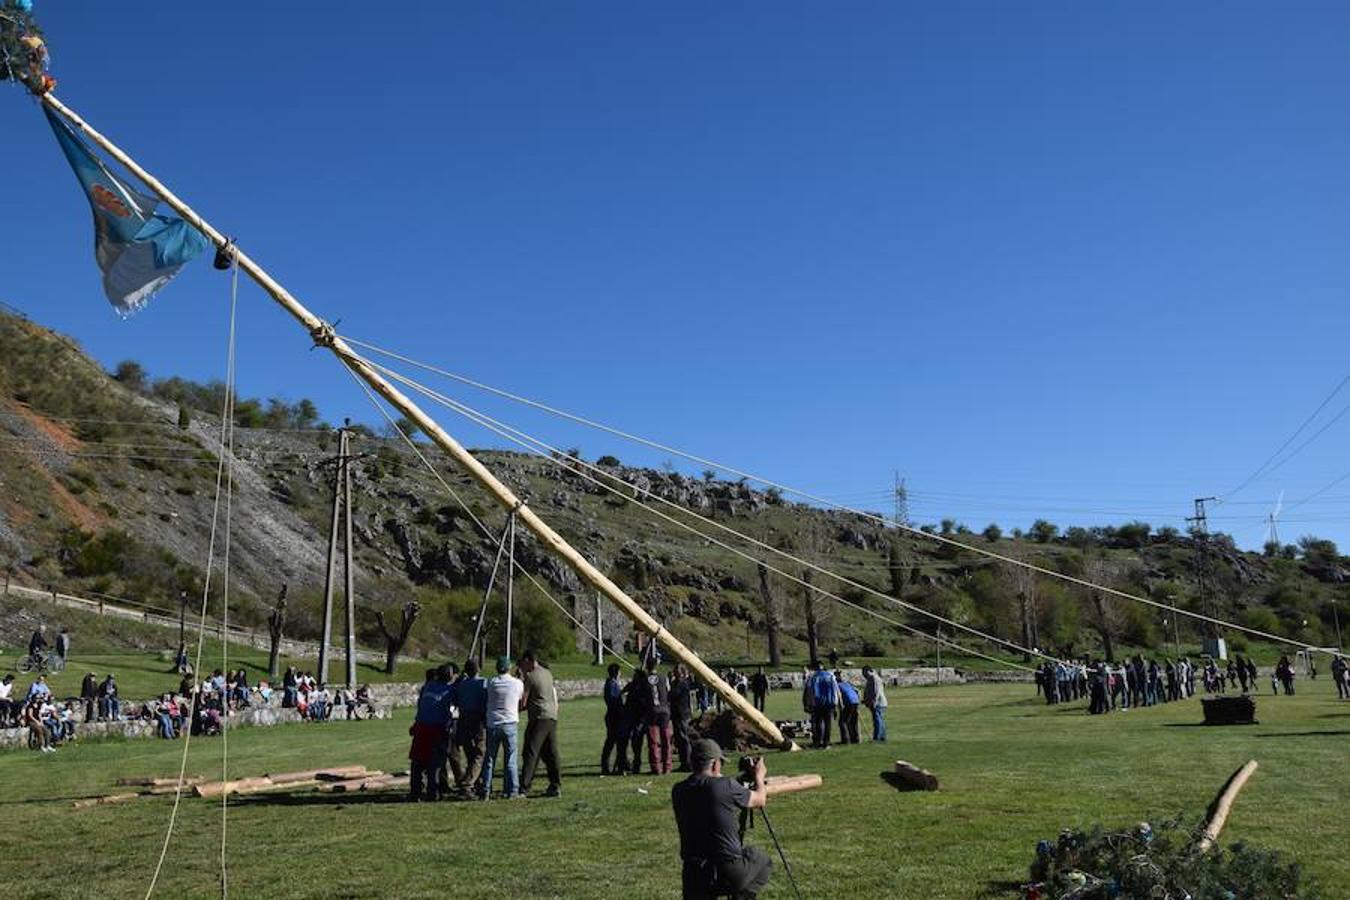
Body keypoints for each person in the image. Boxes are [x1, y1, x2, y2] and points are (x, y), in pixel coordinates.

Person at [671, 739, 772, 900]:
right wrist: (759, 776)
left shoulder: (678, 790)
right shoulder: (724, 786)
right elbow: (760, 799)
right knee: (761, 860)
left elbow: (706, 790)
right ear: (714, 764)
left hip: (693, 873)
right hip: (727, 870)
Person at [478, 655, 525, 800]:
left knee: (490, 758)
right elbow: (520, 697)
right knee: (510, 758)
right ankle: (512, 790)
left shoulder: (491, 682)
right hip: (509, 722)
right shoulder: (517, 683)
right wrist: (520, 677)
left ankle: (486, 789)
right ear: (509, 667)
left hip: (493, 723)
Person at [519, 650, 562, 798]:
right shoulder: (547, 673)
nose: (522, 667)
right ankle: (555, 784)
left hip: (538, 718)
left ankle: (524, 787)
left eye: (523, 663)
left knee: (530, 752)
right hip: (552, 717)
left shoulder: (530, 677)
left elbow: (523, 702)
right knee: (550, 753)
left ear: (528, 660)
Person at [409, 667, 454, 802]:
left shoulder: (427, 686)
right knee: (434, 763)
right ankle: (432, 792)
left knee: (417, 762)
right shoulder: (449, 690)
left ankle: (415, 792)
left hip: (421, 726)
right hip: (437, 728)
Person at [452, 660, 488, 795]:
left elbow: (455, 700)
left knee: (470, 752)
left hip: (463, 718)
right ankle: (468, 783)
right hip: (478, 718)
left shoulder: (461, 685)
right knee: (480, 752)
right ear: (478, 669)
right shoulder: (483, 683)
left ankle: (474, 779)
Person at [644, 657, 675, 775]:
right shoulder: (664, 678)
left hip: (652, 711)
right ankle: (667, 766)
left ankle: (656, 767)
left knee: (653, 741)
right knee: (666, 740)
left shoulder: (645, 679)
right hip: (664, 711)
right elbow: (668, 691)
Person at [600, 663, 627, 775]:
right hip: (614, 716)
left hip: (616, 716)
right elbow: (613, 701)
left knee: (616, 742)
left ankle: (621, 764)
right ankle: (607, 766)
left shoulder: (613, 684)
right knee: (613, 742)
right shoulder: (611, 684)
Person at [805, 661, 837, 748]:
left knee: (818, 724)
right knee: (827, 724)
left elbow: (809, 691)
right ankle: (826, 742)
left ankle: (818, 742)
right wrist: (835, 702)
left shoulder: (812, 677)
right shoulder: (830, 676)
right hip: (828, 703)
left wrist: (809, 703)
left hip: (817, 703)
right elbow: (835, 690)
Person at [669, 664, 694, 772]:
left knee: (684, 738)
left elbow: (673, 695)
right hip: (676, 714)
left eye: (677, 671)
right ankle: (683, 761)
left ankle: (687, 763)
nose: (674, 673)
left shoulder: (682, 684)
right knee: (679, 739)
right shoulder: (675, 683)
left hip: (682, 714)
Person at [861, 665, 888, 742]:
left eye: (864, 673)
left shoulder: (874, 678)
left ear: (869, 671)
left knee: (878, 720)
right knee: (879, 720)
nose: (864, 675)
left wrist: (874, 701)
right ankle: (882, 737)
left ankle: (877, 737)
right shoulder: (870, 679)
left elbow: (877, 691)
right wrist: (865, 700)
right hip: (875, 702)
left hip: (878, 703)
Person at [835, 671, 861, 743]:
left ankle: (845, 739)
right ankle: (856, 739)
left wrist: (840, 706)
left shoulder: (837, 685)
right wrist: (858, 700)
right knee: (853, 721)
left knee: (843, 722)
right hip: (855, 702)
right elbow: (858, 691)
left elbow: (838, 696)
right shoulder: (847, 683)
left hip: (848, 703)